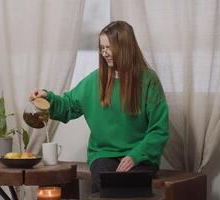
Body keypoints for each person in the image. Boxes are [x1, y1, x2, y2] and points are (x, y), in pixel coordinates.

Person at [29, 21, 169, 192]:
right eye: (102, 48)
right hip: (104, 154)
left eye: (109, 48)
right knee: (105, 184)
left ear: (125, 47)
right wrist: (47, 98)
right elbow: (67, 106)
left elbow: (159, 129)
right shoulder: (94, 80)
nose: (104, 53)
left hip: (140, 157)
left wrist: (135, 156)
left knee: (130, 187)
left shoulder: (148, 80)